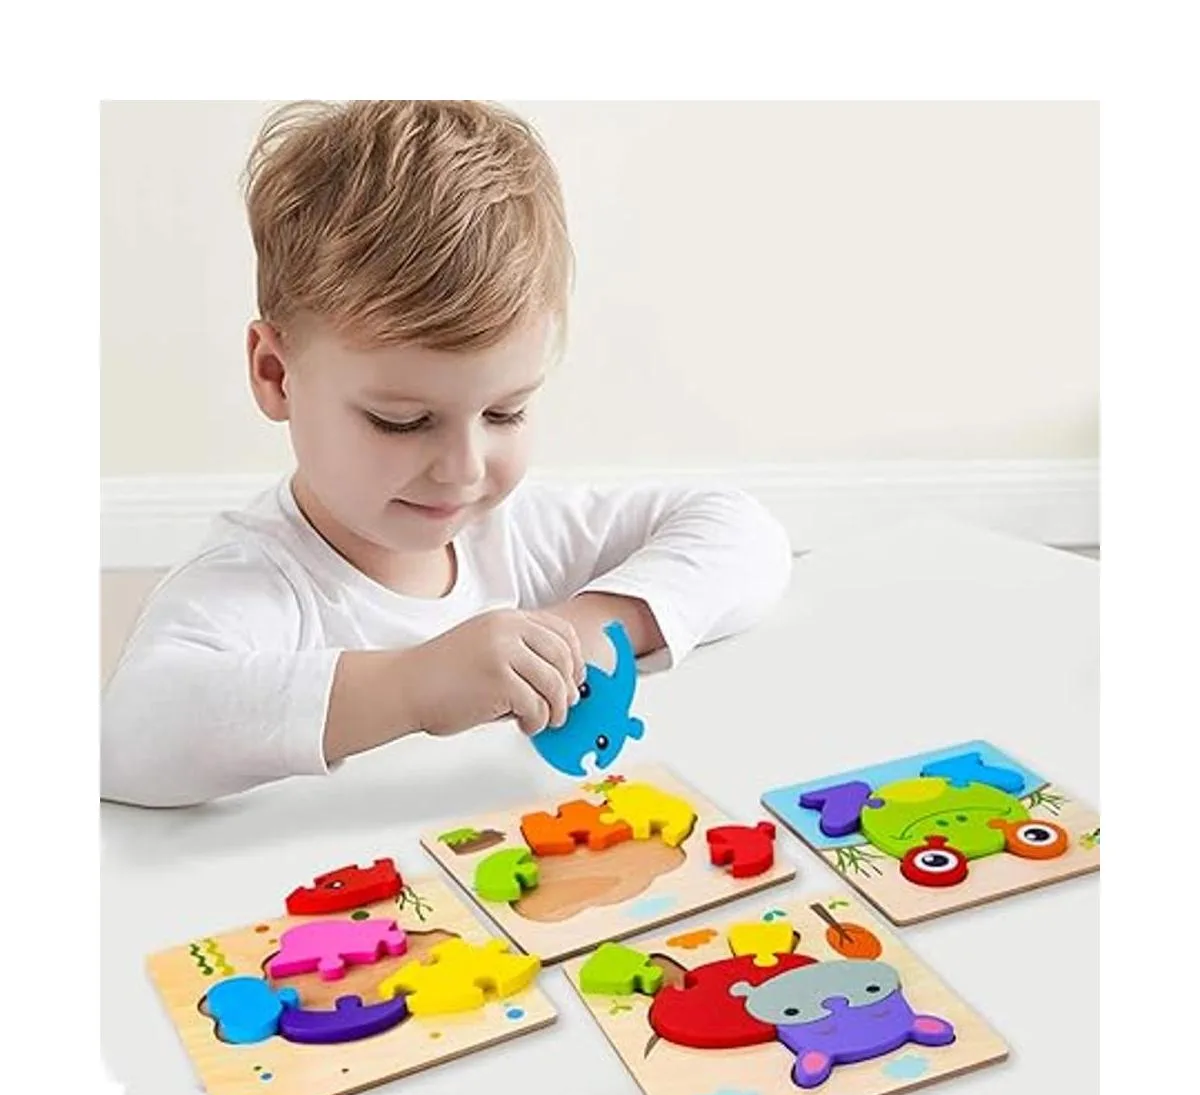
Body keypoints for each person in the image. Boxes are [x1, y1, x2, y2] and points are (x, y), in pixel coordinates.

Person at [101, 100, 793, 807]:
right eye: (401, 421)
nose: (464, 468)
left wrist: (585, 627)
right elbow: (127, 739)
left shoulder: (515, 534)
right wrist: (414, 686)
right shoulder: (257, 585)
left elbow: (744, 535)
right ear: (277, 375)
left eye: (504, 412)